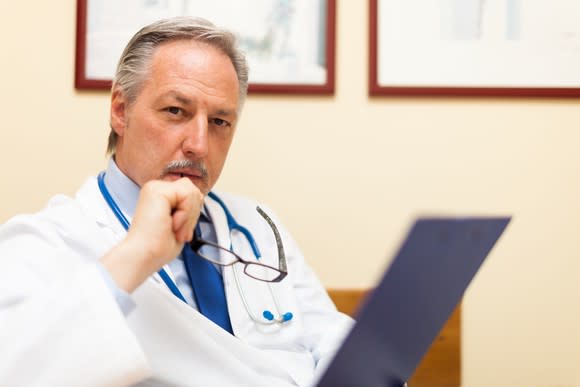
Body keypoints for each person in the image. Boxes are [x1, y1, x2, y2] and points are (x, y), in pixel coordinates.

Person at [0, 16, 352, 387]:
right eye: (175, 111)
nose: (198, 144)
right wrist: (136, 255)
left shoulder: (257, 224)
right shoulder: (46, 241)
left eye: (219, 121)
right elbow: (16, 365)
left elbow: (328, 335)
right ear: (120, 110)